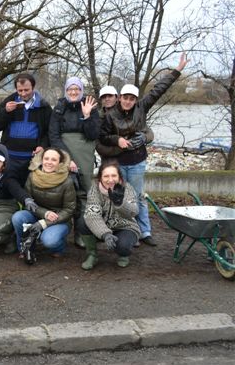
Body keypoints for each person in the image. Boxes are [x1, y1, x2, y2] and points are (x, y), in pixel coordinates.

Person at [99, 52, 189, 246]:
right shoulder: (109, 115)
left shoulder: (142, 107)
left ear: (135, 99)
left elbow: (159, 90)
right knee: (121, 196)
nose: (128, 101)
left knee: (139, 196)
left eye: (132, 98)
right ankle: (130, 231)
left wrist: (177, 71)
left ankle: (145, 231)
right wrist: (117, 140)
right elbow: (103, 136)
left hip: (137, 160)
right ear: (120, 97)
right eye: (125, 97)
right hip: (119, 162)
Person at [48, 77, 100, 247]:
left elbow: (93, 135)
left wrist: (86, 116)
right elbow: (53, 136)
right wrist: (66, 158)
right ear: (66, 90)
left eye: (77, 89)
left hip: (85, 155)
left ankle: (82, 233)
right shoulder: (59, 108)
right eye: (70, 89)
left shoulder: (90, 106)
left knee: (84, 195)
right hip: (63, 154)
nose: (73, 92)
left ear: (81, 90)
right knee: (62, 193)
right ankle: (60, 231)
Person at [11, 148, 77, 262]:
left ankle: (59, 248)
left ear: (60, 163)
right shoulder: (32, 176)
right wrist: (44, 213)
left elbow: (69, 209)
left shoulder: (67, 181)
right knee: (18, 217)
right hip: (37, 213)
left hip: (59, 219)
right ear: (41, 160)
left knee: (49, 240)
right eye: (46, 158)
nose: (49, 162)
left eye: (53, 160)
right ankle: (24, 247)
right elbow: (28, 202)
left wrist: (44, 223)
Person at [0, 73, 52, 186]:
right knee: (9, 189)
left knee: (30, 189)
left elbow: (49, 131)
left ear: (33, 87)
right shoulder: (8, 102)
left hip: (32, 157)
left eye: (26, 90)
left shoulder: (44, 106)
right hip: (10, 156)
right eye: (20, 90)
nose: (23, 93)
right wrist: (6, 112)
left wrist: (43, 145)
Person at [80, 159, 139, 269]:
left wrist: (120, 203)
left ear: (119, 177)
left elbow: (134, 212)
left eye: (114, 176)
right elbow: (92, 215)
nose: (110, 180)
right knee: (83, 222)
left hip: (125, 226)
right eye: (106, 176)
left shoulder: (128, 188)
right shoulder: (94, 190)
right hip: (103, 226)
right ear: (100, 178)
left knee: (123, 246)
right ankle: (92, 254)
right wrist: (105, 234)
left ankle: (123, 255)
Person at [95, 85, 154, 159]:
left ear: (117, 98)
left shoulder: (129, 113)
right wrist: (122, 146)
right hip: (108, 158)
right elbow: (98, 144)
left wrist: (144, 138)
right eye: (103, 97)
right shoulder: (97, 118)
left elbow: (148, 132)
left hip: (131, 158)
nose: (107, 99)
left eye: (110, 96)